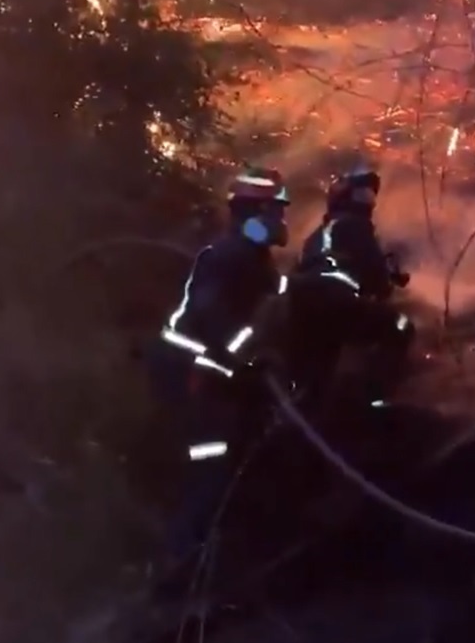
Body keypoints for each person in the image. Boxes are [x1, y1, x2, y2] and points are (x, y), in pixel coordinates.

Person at [145, 165, 293, 581]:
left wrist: (256, 361)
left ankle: (206, 558)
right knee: (210, 466)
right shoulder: (230, 257)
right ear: (255, 214)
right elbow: (213, 321)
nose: (281, 220)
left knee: (225, 463)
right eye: (275, 211)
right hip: (195, 375)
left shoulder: (254, 261)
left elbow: (256, 324)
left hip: (214, 377)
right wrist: (244, 361)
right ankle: (180, 566)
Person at [284, 165, 413, 402]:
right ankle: (375, 400)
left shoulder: (318, 234)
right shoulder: (354, 226)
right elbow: (375, 274)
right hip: (333, 301)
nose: (368, 202)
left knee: (319, 366)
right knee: (400, 326)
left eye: (370, 196)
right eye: (362, 195)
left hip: (303, 305)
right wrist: (389, 282)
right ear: (343, 197)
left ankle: (306, 408)